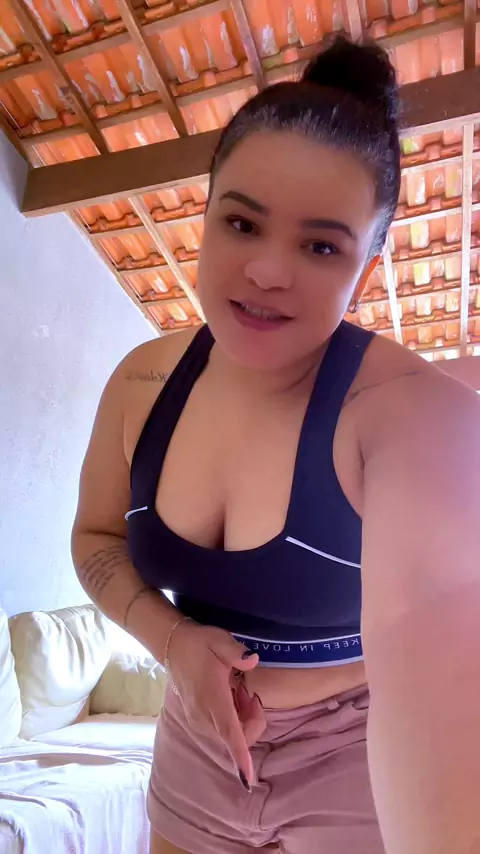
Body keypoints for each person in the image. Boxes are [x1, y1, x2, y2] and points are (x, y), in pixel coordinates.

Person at [71, 35, 480, 854]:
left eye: (320, 245)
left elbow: (442, 675)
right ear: (206, 212)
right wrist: (173, 641)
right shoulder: (142, 384)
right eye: (242, 222)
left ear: (368, 264)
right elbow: (95, 539)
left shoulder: (407, 415)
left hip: (355, 750)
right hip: (194, 737)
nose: (266, 271)